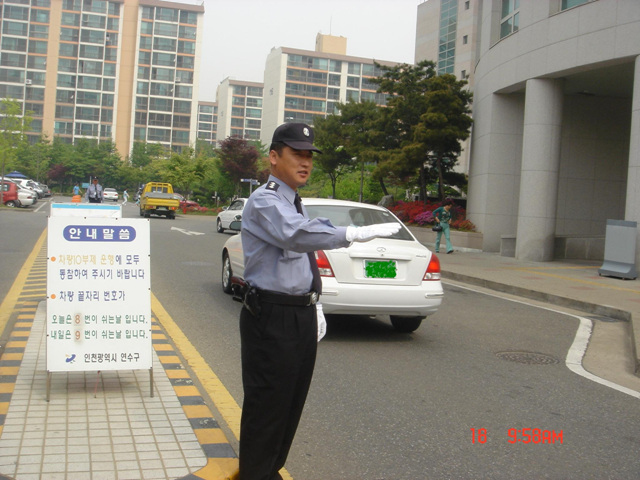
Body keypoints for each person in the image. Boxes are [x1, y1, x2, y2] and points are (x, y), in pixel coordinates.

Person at [238, 122, 400, 480]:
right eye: (297, 154)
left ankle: (269, 469)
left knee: (291, 402)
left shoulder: (293, 202)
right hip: (272, 315)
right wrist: (352, 233)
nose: (306, 162)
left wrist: (316, 300)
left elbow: (302, 252)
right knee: (268, 406)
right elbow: (295, 237)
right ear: (273, 157)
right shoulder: (266, 200)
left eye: (309, 155)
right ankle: (255, 473)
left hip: (299, 313)